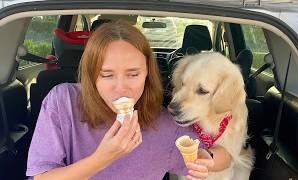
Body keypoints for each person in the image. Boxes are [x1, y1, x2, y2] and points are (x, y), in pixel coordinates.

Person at [26, 20, 230, 180]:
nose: (121, 87)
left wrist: (208, 159)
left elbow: (224, 157)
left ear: (147, 75)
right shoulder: (63, 102)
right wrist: (102, 158)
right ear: (91, 75)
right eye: (107, 75)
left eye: (133, 74)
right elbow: (42, 177)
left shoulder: (165, 124)